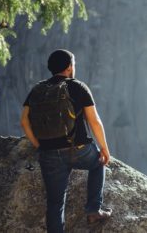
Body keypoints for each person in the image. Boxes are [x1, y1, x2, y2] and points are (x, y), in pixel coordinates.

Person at [20, 49, 112, 233]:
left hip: (49, 153)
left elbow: (24, 121)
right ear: (70, 67)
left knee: (55, 203)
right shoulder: (77, 86)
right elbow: (94, 121)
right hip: (78, 149)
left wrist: (40, 145)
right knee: (98, 163)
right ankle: (94, 210)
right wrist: (104, 149)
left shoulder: (38, 89)